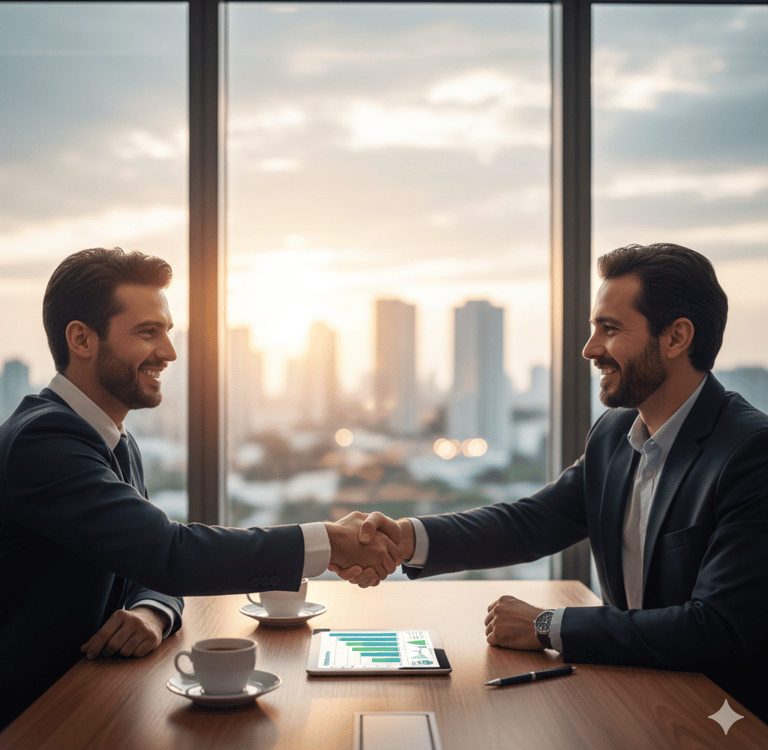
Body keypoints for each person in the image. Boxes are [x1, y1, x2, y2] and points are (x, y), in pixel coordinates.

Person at [337, 243, 768, 723]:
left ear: (676, 337)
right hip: (634, 695)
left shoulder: (751, 453)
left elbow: (717, 630)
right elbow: (533, 521)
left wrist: (546, 625)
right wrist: (408, 538)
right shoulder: (613, 435)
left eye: (610, 329)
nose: (590, 349)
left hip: (723, 719)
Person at [0, 247, 401, 730]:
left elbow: (142, 559)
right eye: (148, 332)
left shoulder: (112, 440)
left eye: (167, 332)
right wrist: (325, 542)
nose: (169, 352)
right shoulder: (44, 443)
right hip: (31, 716)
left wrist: (151, 611)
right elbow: (167, 553)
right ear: (81, 339)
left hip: (93, 698)